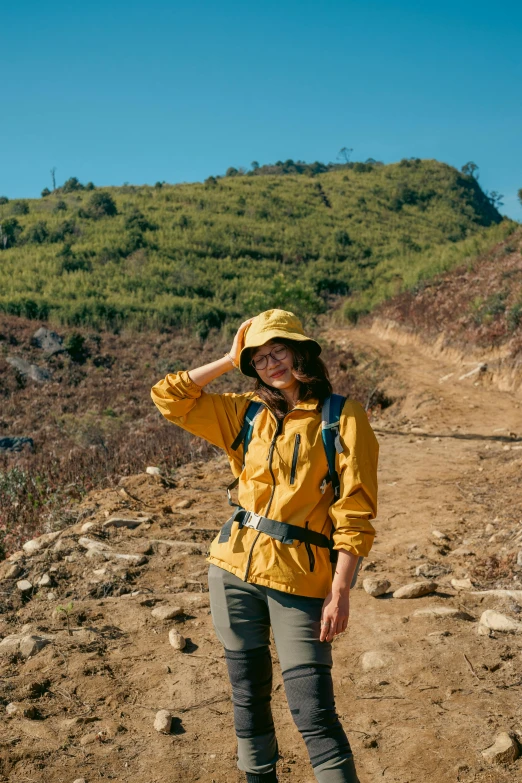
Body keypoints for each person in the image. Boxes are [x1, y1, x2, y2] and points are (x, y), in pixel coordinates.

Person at [150, 309, 379, 783]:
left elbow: (354, 512)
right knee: (247, 696)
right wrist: (228, 358)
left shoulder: (341, 417)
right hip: (231, 570)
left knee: (312, 708)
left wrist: (341, 590)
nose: (270, 363)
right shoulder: (244, 411)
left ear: (301, 352)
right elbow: (168, 397)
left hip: (300, 578)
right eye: (258, 358)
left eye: (278, 351)